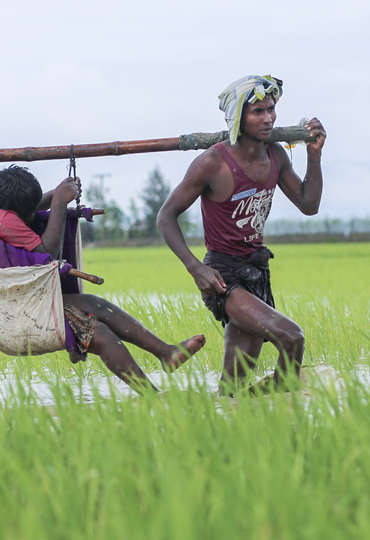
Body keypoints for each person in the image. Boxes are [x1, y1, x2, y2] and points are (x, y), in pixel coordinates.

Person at [0, 165, 206, 394]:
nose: (32, 216)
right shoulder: (4, 221)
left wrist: (55, 195)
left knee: (93, 303)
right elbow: (47, 253)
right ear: (15, 213)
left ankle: (166, 353)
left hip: (4, 302)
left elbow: (25, 210)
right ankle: (154, 397)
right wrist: (60, 206)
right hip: (18, 316)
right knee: (101, 334)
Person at [156, 75, 327, 395]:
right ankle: (277, 391)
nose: (268, 118)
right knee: (292, 337)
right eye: (258, 112)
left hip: (258, 271)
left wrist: (313, 156)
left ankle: (232, 415)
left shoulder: (275, 154)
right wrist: (197, 269)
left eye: (271, 110)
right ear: (238, 116)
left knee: (232, 385)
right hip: (224, 276)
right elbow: (166, 216)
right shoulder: (212, 163)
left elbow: (309, 204)